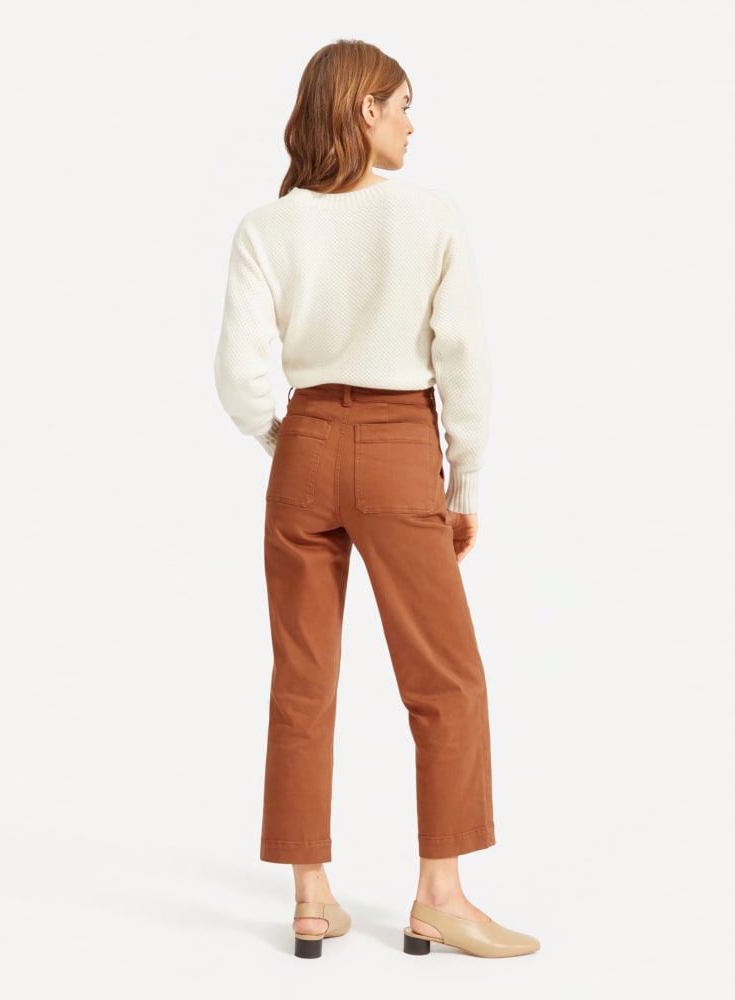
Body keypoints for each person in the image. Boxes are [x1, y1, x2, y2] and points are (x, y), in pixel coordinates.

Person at [214, 38, 539, 960]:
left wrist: (285, 440)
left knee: (302, 679)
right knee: (446, 680)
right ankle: (441, 897)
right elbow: (464, 358)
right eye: (401, 105)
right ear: (363, 110)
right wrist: (463, 479)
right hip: (400, 450)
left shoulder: (265, 228)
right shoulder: (430, 216)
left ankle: (310, 899)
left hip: (306, 449)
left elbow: (239, 376)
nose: (410, 124)